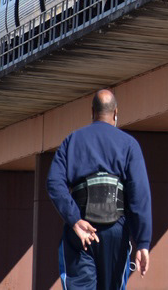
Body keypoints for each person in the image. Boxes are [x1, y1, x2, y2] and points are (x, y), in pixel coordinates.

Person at [48, 89, 152, 289]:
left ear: (92, 112)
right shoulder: (129, 145)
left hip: (82, 232)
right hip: (116, 233)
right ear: (115, 113)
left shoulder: (72, 141)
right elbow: (140, 195)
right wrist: (143, 242)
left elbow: (54, 182)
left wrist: (75, 220)